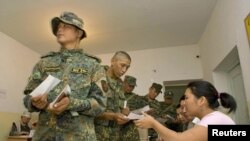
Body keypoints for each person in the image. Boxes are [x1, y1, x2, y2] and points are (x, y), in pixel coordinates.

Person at [23, 11, 107, 141]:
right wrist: (34, 102)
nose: (59, 29)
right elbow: (28, 97)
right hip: (45, 136)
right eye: (58, 27)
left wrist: (72, 103)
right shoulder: (44, 62)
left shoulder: (93, 65)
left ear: (79, 33)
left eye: (66, 26)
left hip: (79, 137)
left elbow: (100, 105)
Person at [134, 80, 237, 141]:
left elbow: (179, 139)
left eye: (187, 98)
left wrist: (153, 123)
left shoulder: (214, 120)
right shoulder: (208, 120)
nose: (184, 102)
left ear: (201, 100)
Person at [94, 51, 131, 141]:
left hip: (115, 133)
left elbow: (121, 104)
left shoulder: (120, 83)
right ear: (112, 61)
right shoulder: (97, 76)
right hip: (97, 132)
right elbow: (88, 108)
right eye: (122, 65)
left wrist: (125, 110)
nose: (124, 70)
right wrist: (113, 116)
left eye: (127, 67)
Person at [120, 75, 141, 141]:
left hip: (131, 130)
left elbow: (140, 114)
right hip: (116, 129)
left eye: (133, 86)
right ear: (124, 83)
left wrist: (130, 114)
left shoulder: (136, 98)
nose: (131, 88)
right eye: (130, 85)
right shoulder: (116, 94)